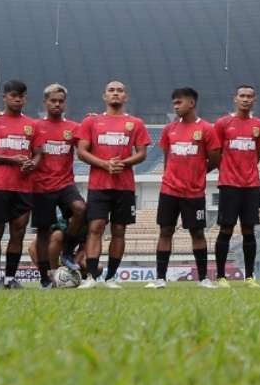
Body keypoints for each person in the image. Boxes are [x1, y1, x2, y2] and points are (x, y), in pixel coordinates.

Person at [75, 81, 150, 288]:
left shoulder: (135, 123)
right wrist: (104, 164)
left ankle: (111, 277)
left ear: (126, 97)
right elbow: (81, 151)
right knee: (95, 227)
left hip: (124, 186)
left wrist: (123, 164)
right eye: (111, 90)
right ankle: (90, 276)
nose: (115, 93)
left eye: (120, 91)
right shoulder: (91, 122)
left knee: (119, 230)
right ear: (104, 96)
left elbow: (142, 153)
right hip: (99, 185)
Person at [153, 87, 222, 289]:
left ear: (191, 103)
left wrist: (199, 173)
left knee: (197, 233)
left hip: (193, 192)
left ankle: (203, 279)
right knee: (165, 231)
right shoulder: (169, 130)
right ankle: (160, 278)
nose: (175, 106)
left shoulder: (207, 129)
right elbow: (167, 159)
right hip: (169, 191)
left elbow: (216, 159)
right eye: (174, 102)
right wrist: (169, 178)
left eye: (179, 102)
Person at [0, 80, 39, 288]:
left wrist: (32, 164)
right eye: (13, 95)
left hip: (23, 187)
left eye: (22, 96)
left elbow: (38, 154)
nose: (18, 99)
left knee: (18, 232)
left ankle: (11, 277)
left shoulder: (32, 124)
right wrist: (12, 160)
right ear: (5, 97)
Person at [212, 85, 260, 287]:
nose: (245, 99)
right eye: (242, 96)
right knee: (226, 229)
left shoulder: (259, 126)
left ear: (255, 100)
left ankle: (249, 277)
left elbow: (258, 152)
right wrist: (227, 169)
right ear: (235, 99)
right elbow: (215, 152)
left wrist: (246, 170)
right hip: (229, 184)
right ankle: (220, 277)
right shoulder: (222, 123)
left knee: (249, 230)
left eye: (249, 96)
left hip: (251, 185)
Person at [28, 85, 82, 287]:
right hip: (41, 186)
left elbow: (86, 145)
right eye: (53, 100)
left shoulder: (73, 128)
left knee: (80, 209)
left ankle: (67, 252)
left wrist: (92, 122)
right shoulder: (34, 127)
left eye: (60, 101)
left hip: (65, 184)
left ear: (65, 103)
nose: (57, 104)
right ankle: (44, 277)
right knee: (43, 232)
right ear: (45, 102)